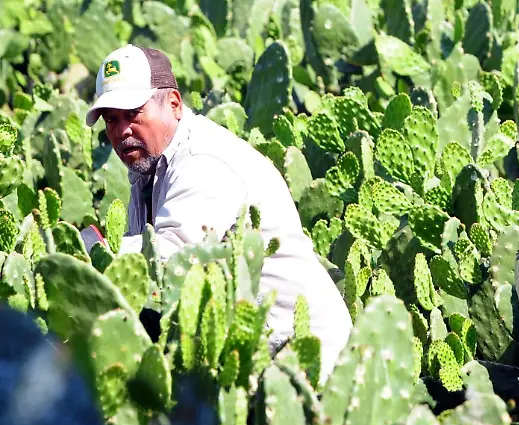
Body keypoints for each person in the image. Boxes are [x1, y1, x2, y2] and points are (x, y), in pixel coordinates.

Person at [84, 45, 351, 380]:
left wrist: (89, 251)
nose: (122, 131)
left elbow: (169, 261)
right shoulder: (149, 167)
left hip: (308, 359)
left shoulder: (202, 161)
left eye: (133, 113)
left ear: (174, 104)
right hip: (253, 357)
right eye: (111, 119)